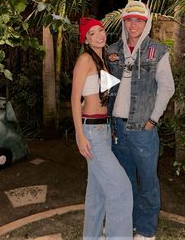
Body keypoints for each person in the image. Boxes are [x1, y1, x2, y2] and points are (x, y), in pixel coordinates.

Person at [108, 1, 175, 240]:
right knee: (123, 181)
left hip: (142, 129)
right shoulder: (112, 49)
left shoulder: (157, 51)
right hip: (117, 128)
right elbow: (105, 86)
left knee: (147, 180)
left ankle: (146, 230)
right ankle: (126, 223)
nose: (133, 24)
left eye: (138, 20)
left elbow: (167, 88)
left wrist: (152, 120)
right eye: (129, 19)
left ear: (146, 23)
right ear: (123, 22)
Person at [71, 17, 133, 240]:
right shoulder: (85, 60)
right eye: (93, 33)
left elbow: (104, 97)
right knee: (122, 190)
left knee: (97, 193)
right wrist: (79, 135)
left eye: (101, 31)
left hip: (104, 131)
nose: (100, 35)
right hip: (91, 132)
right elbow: (74, 98)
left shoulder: (103, 60)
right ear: (85, 39)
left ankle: (92, 236)